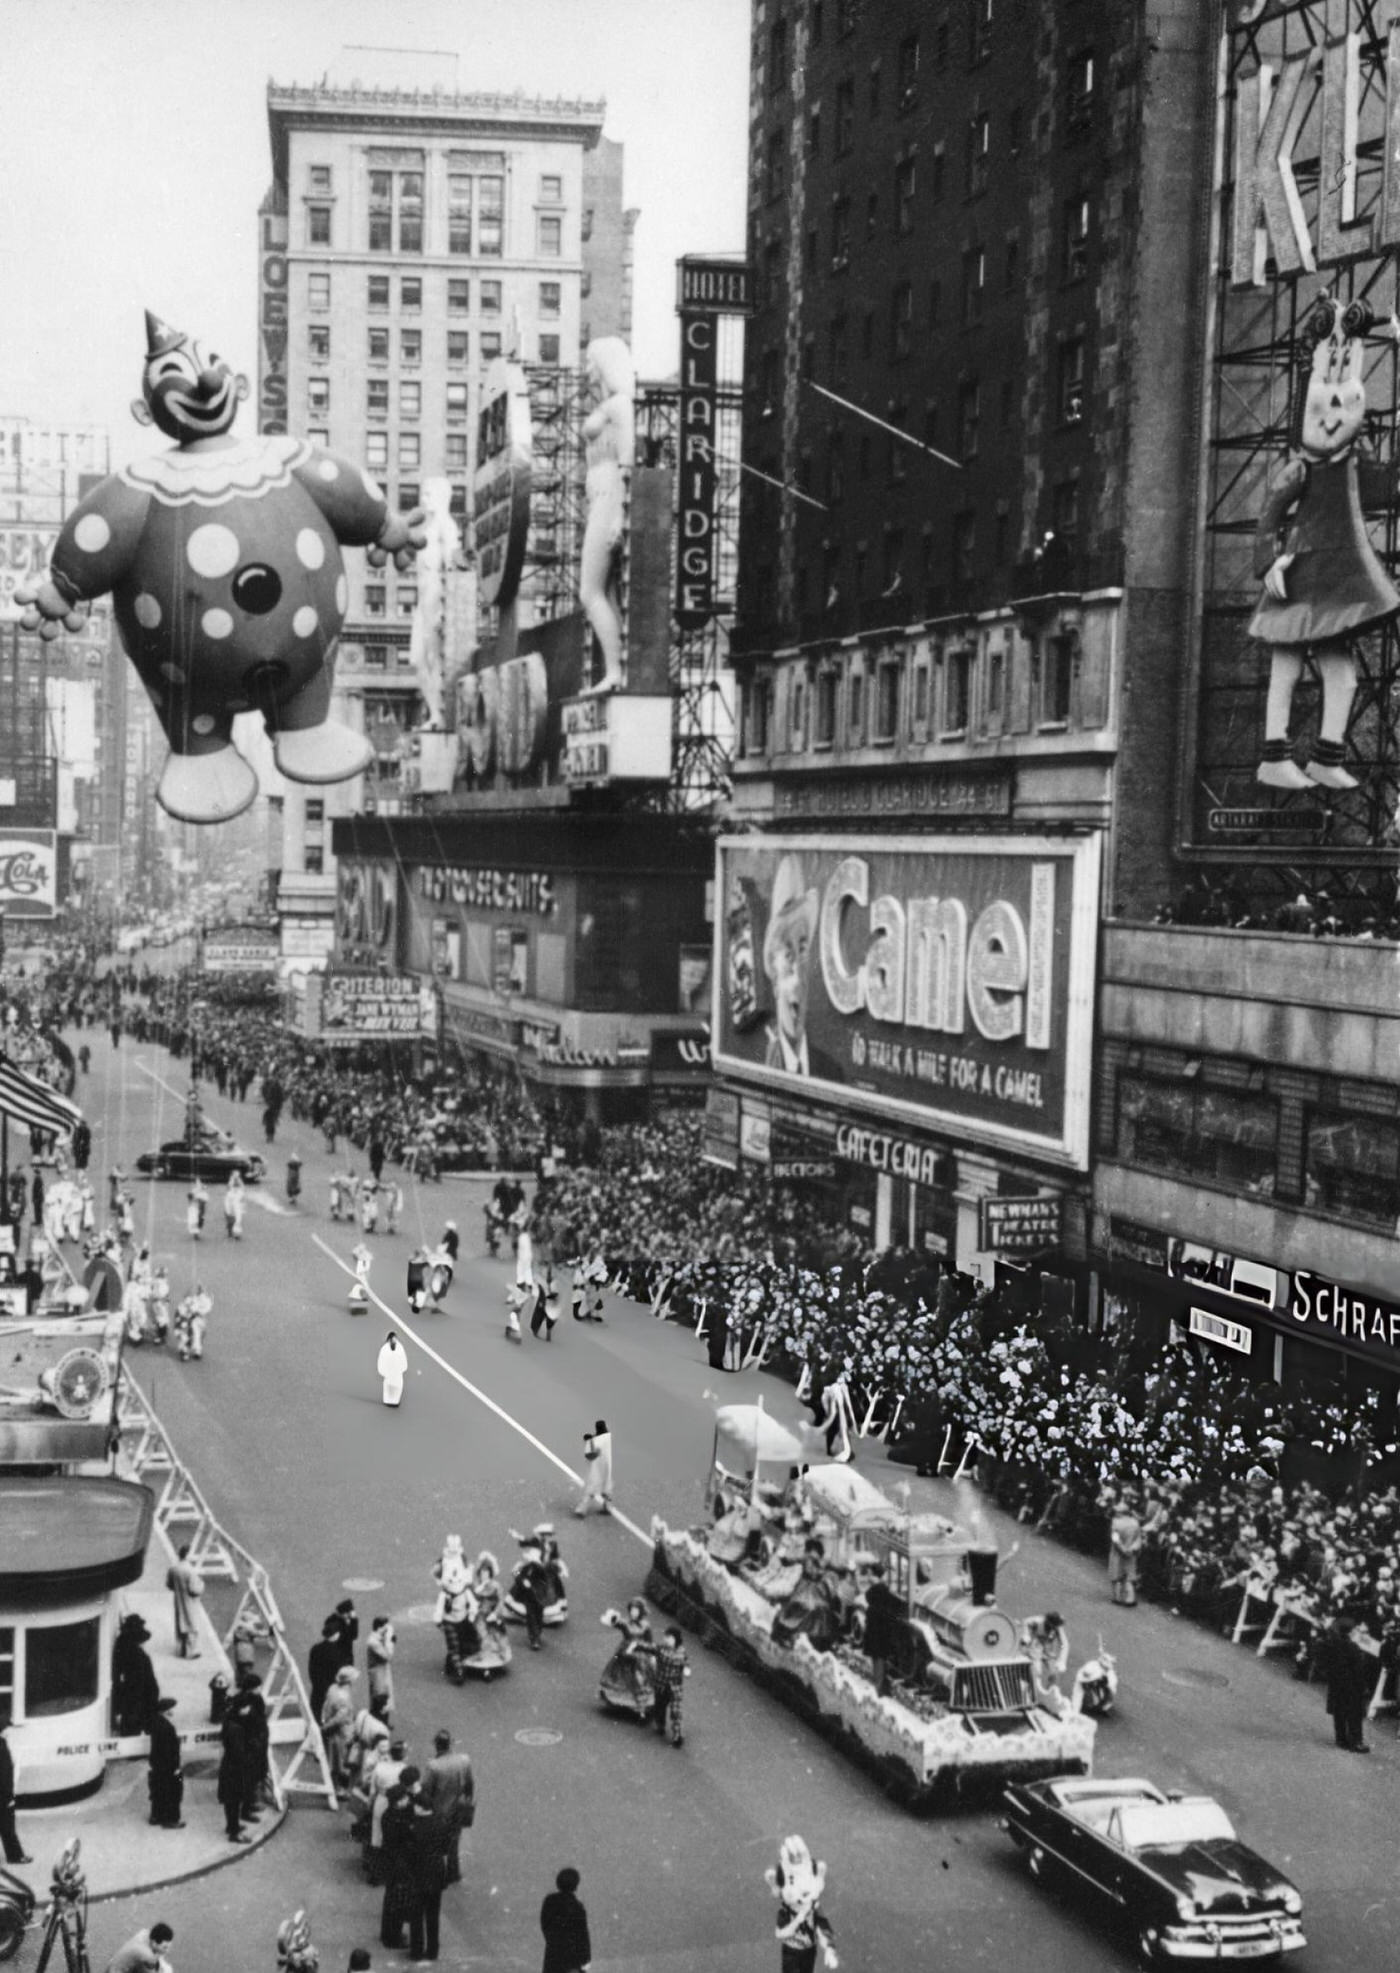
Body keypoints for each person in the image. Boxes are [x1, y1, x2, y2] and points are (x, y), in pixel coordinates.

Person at [579, 336, 635, 694]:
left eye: (589, 361)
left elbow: (627, 462)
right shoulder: (609, 405)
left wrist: (620, 516)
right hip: (599, 497)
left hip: (610, 495)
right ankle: (615, 669)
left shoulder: (621, 405)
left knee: (590, 591)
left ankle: (615, 669)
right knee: (604, 590)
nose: (586, 369)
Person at [762, 855, 842, 1082]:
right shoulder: (763, 1064)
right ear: (775, 981)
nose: (797, 976)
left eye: (803, 950)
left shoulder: (832, 1073)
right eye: (788, 956)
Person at [766, 1834, 838, 1973]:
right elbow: (780, 1933)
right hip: (791, 1950)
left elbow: (822, 1928)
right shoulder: (786, 1910)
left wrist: (829, 1949)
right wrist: (798, 1920)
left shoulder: (813, 1907)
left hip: (809, 1950)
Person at [421, 1728, 475, 1887]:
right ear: (450, 1744)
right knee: (454, 1841)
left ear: (437, 1746)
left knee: (436, 1842)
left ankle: (437, 1874)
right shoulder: (464, 1760)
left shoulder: (434, 1766)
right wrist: (467, 1799)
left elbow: (427, 1790)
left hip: (439, 1810)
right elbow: (470, 1783)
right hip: (457, 1808)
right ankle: (453, 1872)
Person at [1316, 1614, 1372, 1752]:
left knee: (1339, 1711)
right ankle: (1356, 1742)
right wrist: (1363, 1687)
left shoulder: (1332, 1642)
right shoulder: (1352, 1648)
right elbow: (1358, 1669)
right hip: (1352, 1685)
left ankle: (1341, 1739)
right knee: (1354, 1714)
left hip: (1337, 1682)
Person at [112, 1612, 162, 1734]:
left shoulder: (122, 1644)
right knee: (134, 1726)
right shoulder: (136, 1655)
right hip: (138, 1699)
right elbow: (140, 1683)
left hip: (135, 1696)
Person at [859, 1563, 905, 1696]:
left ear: (874, 1576)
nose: (868, 1578)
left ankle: (879, 1689)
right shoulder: (885, 1589)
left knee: (877, 1662)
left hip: (876, 1631)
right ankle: (881, 1688)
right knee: (880, 1660)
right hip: (882, 1631)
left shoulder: (876, 1590)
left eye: (870, 1574)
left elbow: (868, 1597)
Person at [539, 1865, 592, 1973]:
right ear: (575, 1885)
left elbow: (545, 1926)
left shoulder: (550, 1902)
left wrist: (555, 1943)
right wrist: (585, 1958)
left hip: (553, 1958)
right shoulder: (577, 1907)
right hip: (573, 1962)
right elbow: (582, 1935)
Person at [146, 1696, 184, 1828]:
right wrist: (176, 1767)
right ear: (166, 1711)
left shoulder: (155, 1723)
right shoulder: (168, 1728)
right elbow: (170, 1750)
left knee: (158, 1790)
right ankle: (170, 1820)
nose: (173, 1711)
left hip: (157, 1764)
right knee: (172, 1792)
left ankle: (155, 1816)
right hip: (168, 1766)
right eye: (171, 1709)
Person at [321, 1667, 360, 1789]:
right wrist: (326, 1728)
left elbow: (326, 1705)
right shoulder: (344, 1698)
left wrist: (324, 1722)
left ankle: (338, 1783)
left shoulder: (333, 1688)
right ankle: (337, 1787)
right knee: (339, 1759)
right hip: (342, 1732)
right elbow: (339, 1719)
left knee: (335, 1758)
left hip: (334, 1729)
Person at [651, 1626, 690, 1747]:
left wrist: (686, 1668)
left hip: (674, 1687)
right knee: (659, 1707)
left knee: (675, 1711)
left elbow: (685, 1661)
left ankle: (677, 1735)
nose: (666, 1640)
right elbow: (650, 1649)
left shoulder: (681, 1651)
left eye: (669, 1637)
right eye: (665, 1637)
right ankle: (660, 1725)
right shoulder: (661, 1649)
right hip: (661, 1684)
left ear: (675, 1639)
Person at [0, 1714, 31, 1866]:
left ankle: (16, 1855)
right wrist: (9, 1797)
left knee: (6, 1828)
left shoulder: (3, 1743)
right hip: (3, 1796)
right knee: (8, 1827)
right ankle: (15, 1856)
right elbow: (4, 1775)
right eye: (6, 1727)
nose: (9, 1730)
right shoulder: (2, 1747)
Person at [167, 1542, 204, 1657]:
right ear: (187, 1555)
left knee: (181, 1623)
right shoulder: (190, 1571)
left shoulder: (173, 1569)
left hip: (178, 1599)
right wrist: (202, 1585)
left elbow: (169, 1585)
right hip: (190, 1601)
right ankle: (192, 1651)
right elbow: (194, 1589)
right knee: (191, 1624)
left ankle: (182, 1649)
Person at [574, 1418, 613, 1518]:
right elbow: (602, 1436)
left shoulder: (593, 1441)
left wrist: (589, 1440)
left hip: (596, 1468)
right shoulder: (608, 1437)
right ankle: (608, 1507)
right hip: (607, 1466)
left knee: (591, 1488)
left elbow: (589, 1455)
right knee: (606, 1486)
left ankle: (581, 1510)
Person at [1109, 1496, 1144, 1607]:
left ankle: (1117, 1597)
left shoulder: (1116, 1522)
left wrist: (1123, 1549)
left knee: (1116, 1574)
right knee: (1129, 1576)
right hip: (1131, 1554)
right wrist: (1132, 1548)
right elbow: (1139, 1538)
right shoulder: (1135, 1523)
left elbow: (1115, 1538)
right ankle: (1130, 1599)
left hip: (1118, 1553)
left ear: (1121, 1513)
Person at [308, 1617, 342, 1725]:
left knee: (316, 1709)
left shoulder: (315, 1648)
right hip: (330, 1687)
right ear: (336, 1635)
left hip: (317, 1685)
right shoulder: (336, 1652)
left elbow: (311, 1668)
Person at [104, 1922, 175, 1972]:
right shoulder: (146, 1954)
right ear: (154, 1943)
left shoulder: (145, 1934)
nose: (167, 1951)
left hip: (113, 1966)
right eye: (165, 1947)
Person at [366, 1616, 396, 1724]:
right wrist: (389, 1641)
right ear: (380, 1627)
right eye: (385, 1627)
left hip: (381, 1673)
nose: (387, 1630)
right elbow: (387, 1656)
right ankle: (380, 1723)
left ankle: (383, 1722)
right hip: (378, 1676)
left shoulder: (377, 1638)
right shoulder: (373, 1642)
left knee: (383, 1699)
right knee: (380, 1700)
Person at [328, 1597, 360, 1672]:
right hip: (340, 1660)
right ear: (344, 1613)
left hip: (344, 1659)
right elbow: (353, 1636)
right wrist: (353, 1621)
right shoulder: (336, 1624)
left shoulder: (338, 1621)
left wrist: (353, 1620)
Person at [378, 1331, 408, 1407]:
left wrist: (401, 1369)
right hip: (390, 1375)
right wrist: (384, 1372)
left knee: (396, 1389)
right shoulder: (385, 1349)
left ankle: (394, 1401)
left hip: (395, 1375)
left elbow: (403, 1361)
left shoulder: (399, 1348)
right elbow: (381, 1361)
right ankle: (389, 1401)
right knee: (389, 1390)